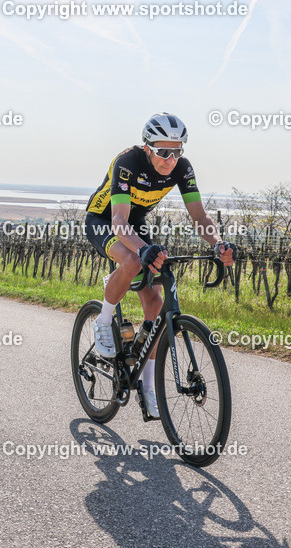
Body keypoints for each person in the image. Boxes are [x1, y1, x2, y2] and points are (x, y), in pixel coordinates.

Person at [84, 112, 235, 418]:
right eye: (164, 151)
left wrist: (218, 244)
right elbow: (118, 222)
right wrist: (144, 250)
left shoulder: (182, 168)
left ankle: (148, 386)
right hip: (105, 220)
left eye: (178, 150)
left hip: (135, 224)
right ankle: (103, 320)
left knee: (155, 303)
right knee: (130, 259)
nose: (171, 159)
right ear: (148, 147)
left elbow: (200, 217)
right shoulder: (128, 162)